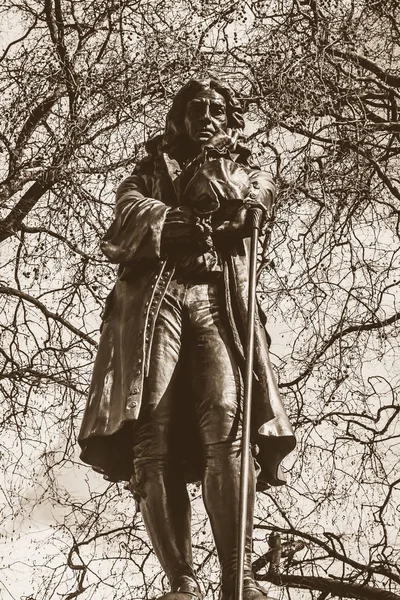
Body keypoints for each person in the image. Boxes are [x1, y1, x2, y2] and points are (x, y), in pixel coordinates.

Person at [78, 78, 295, 600]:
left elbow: (257, 190)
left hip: (218, 300)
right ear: (178, 119)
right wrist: (170, 219)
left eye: (217, 109)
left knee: (227, 418)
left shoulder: (244, 163)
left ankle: (236, 577)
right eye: (195, 107)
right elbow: (126, 213)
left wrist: (238, 186)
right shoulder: (150, 171)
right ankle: (181, 581)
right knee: (151, 432)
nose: (206, 115)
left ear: (229, 118)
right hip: (154, 303)